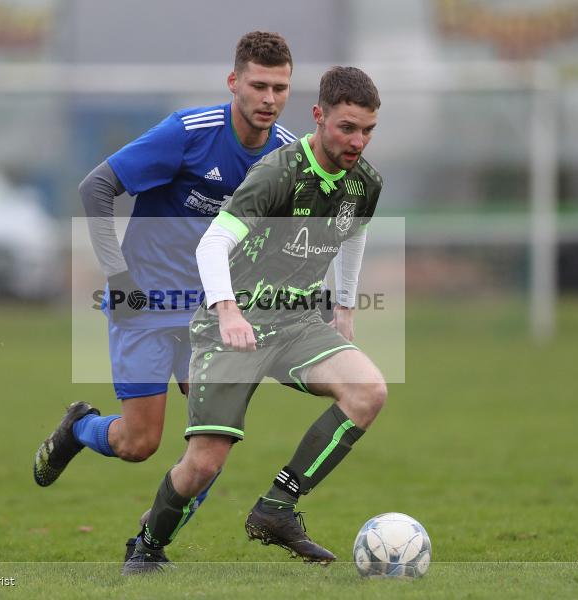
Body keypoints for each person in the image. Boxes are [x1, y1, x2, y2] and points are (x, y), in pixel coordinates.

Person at [32, 32, 295, 550]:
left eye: (280, 88)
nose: (269, 99)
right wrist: (118, 276)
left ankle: (150, 543)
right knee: (139, 443)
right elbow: (96, 187)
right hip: (147, 305)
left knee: (214, 441)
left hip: (213, 314)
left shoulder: (286, 155)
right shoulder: (188, 133)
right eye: (258, 86)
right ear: (234, 82)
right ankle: (79, 428)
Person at [121, 66, 385, 574]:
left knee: (368, 391)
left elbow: (353, 234)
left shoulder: (365, 183)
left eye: (368, 130)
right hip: (233, 326)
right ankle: (148, 546)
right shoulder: (278, 173)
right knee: (204, 463)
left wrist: (345, 310)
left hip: (296, 323)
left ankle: (276, 508)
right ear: (319, 116)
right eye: (347, 128)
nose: (358, 141)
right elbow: (212, 243)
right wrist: (227, 311)